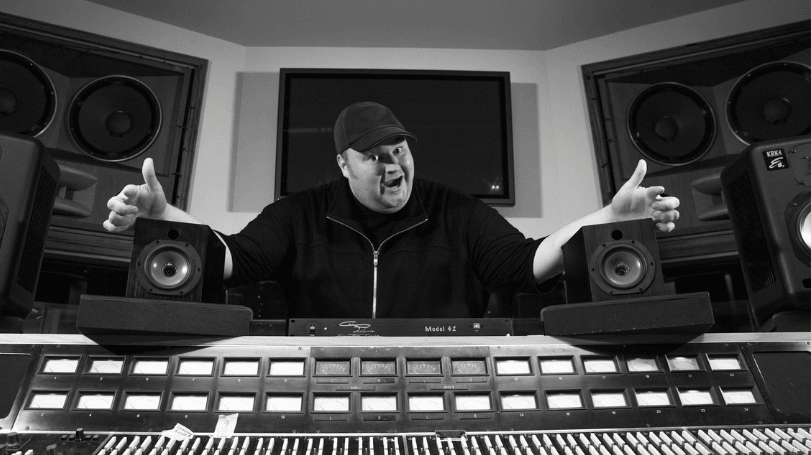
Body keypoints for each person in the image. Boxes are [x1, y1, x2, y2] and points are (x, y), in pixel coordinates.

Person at [104, 102, 679, 318]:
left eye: (399, 150)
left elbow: (523, 264)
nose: (392, 165)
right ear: (343, 164)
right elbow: (235, 259)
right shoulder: (297, 213)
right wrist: (166, 215)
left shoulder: (453, 208)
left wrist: (606, 216)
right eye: (374, 156)